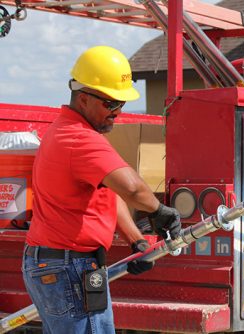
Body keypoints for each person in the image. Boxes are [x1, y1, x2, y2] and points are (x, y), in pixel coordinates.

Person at [21, 45, 181, 334]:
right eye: (110, 104)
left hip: (60, 265)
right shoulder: (79, 140)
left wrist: (136, 240)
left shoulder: (67, 132)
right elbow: (132, 188)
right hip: (69, 268)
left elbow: (107, 193)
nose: (118, 112)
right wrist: (159, 211)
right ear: (83, 98)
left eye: (121, 104)